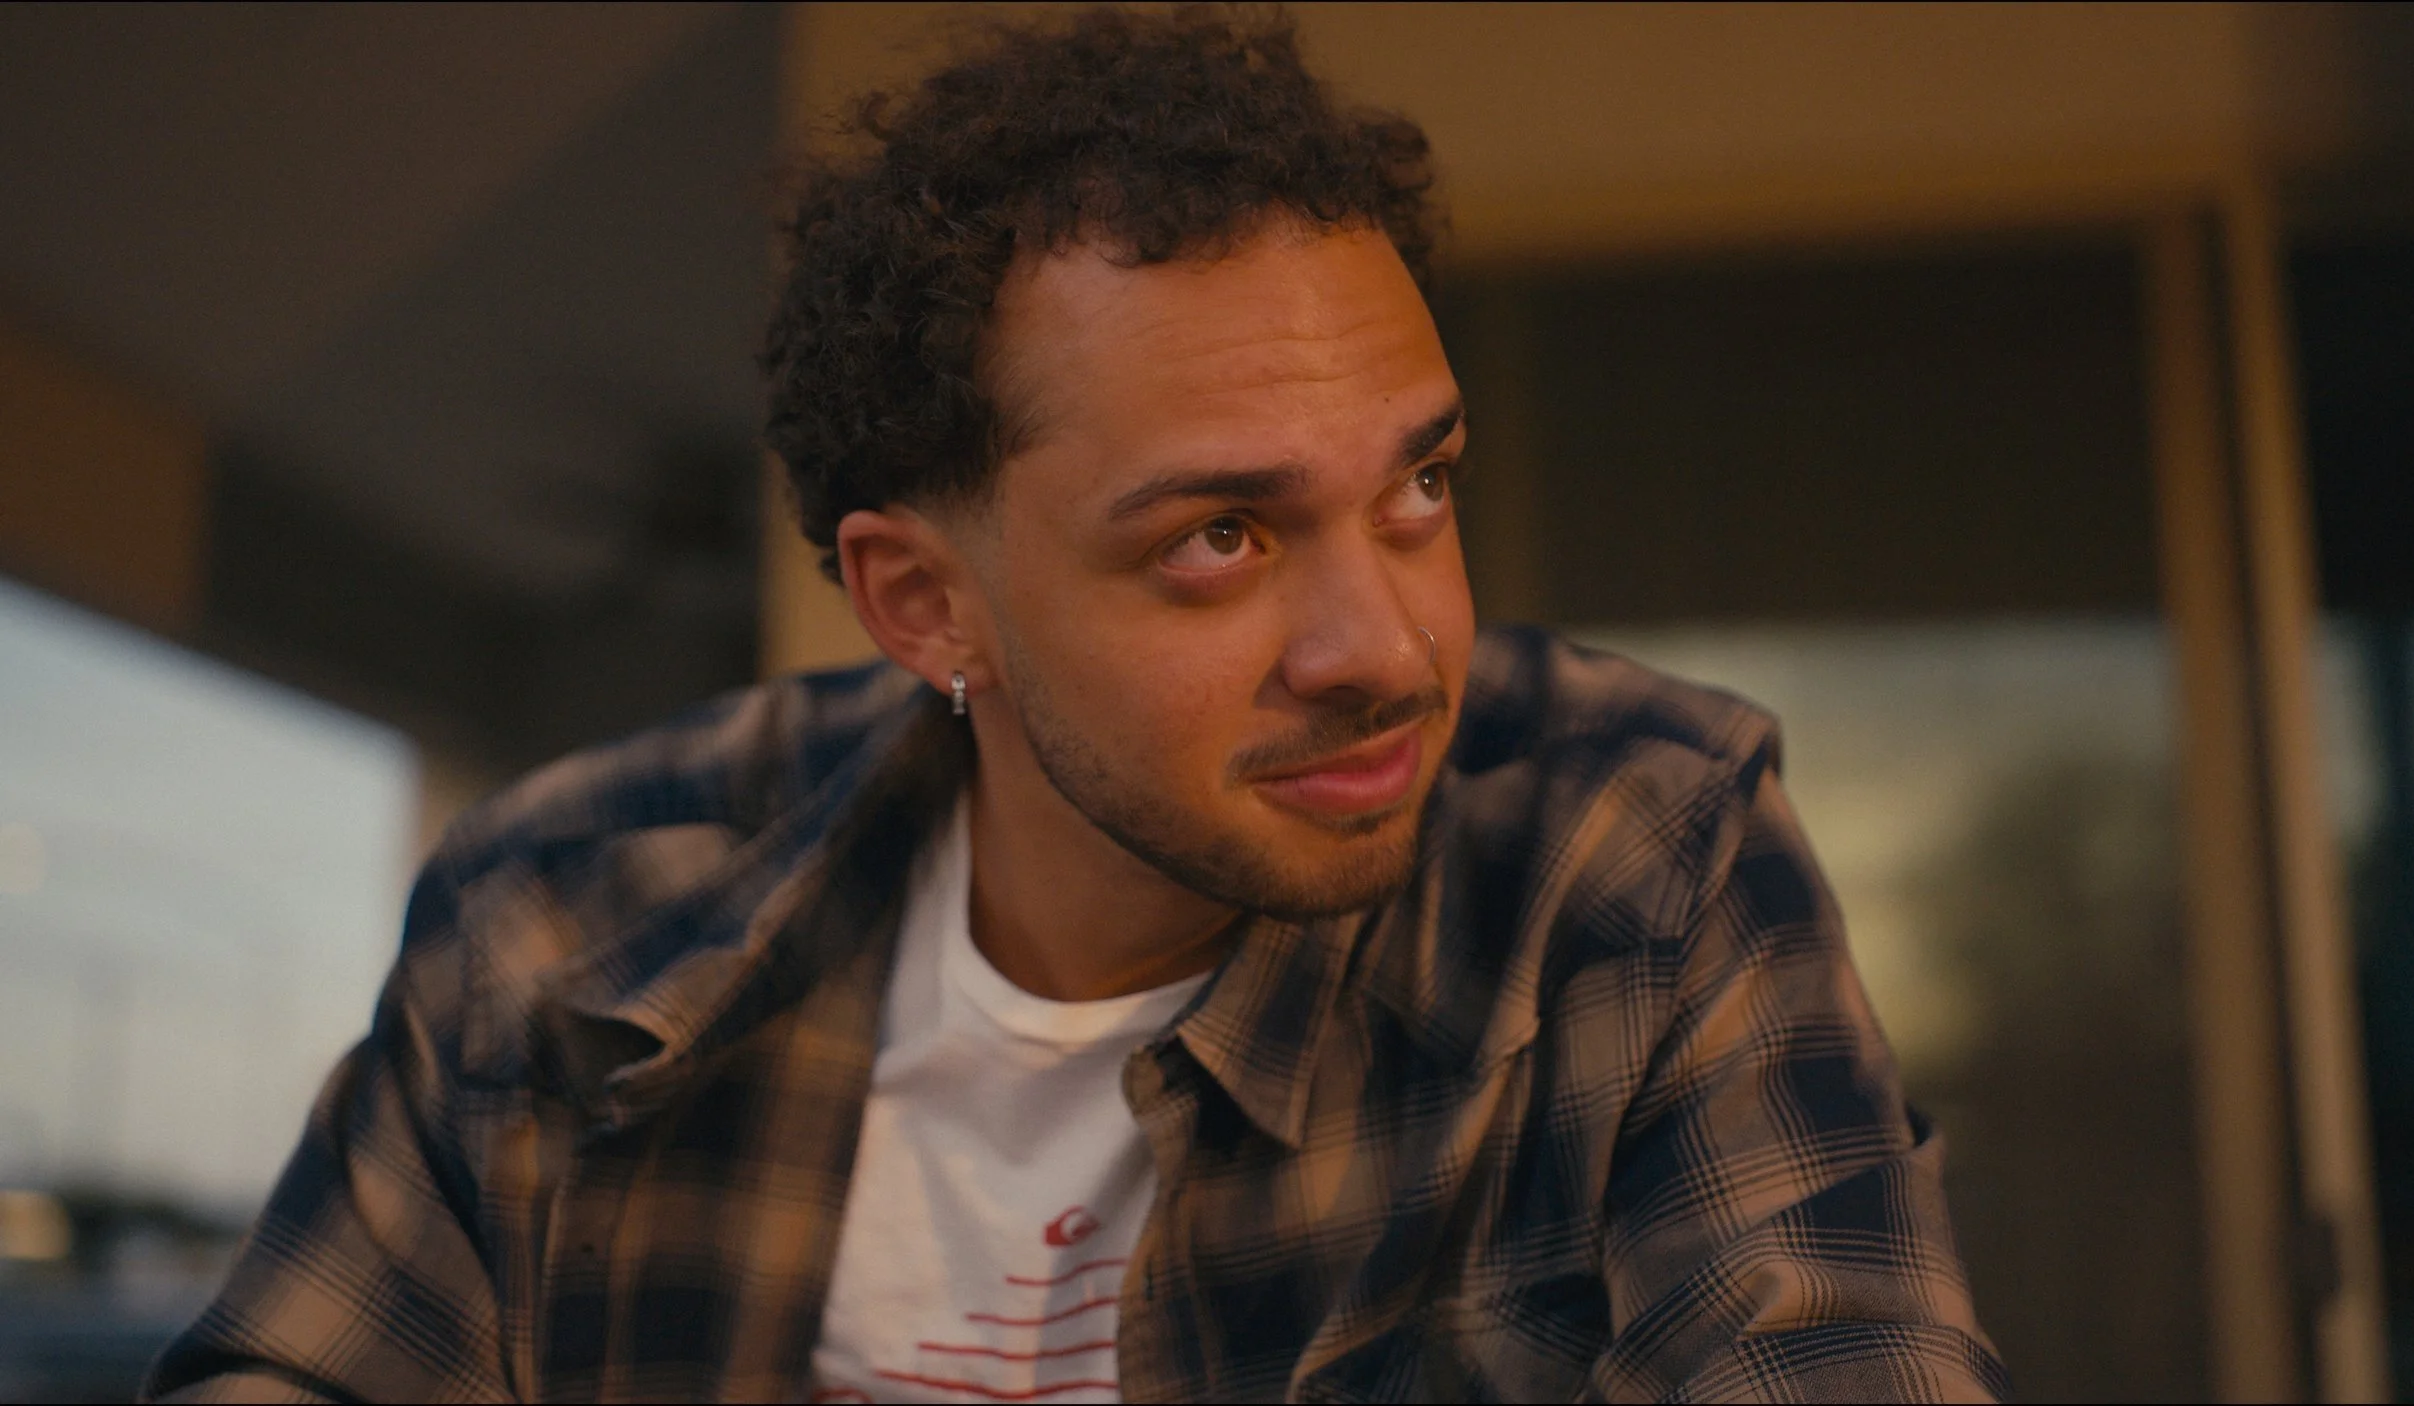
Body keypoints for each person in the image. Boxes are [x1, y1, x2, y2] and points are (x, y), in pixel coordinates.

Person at [146, 7, 2002, 1402]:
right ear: (922, 600)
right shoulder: (563, 912)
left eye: (1418, 484)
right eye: (1218, 535)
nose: (1385, 638)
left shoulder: (1629, 850)